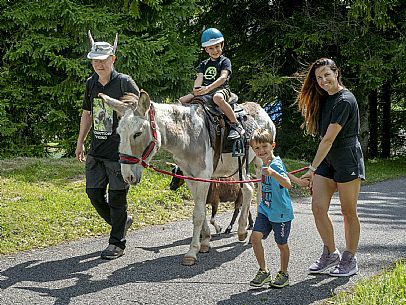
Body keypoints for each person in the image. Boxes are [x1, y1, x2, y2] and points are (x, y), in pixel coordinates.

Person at [297, 58, 365, 277]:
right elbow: (323, 141)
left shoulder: (345, 100)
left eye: (327, 75)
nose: (323, 80)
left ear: (337, 73)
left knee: (348, 212)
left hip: (347, 159)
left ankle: (350, 258)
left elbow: (328, 139)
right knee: (318, 208)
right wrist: (318, 167)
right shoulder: (324, 99)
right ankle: (330, 252)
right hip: (328, 161)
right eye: (319, 77)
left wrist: (312, 168)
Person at [75, 31, 140, 260]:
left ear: (113, 59)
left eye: (103, 60)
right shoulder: (91, 83)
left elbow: (139, 114)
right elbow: (87, 113)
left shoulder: (124, 82)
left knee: (117, 197)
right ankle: (120, 222)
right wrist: (80, 141)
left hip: (119, 153)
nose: (98, 64)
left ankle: (117, 243)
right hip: (97, 150)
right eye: (95, 60)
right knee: (93, 193)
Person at [249, 128, 309, 288]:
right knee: (255, 238)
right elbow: (285, 173)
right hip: (265, 209)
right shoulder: (268, 163)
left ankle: (284, 273)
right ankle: (264, 271)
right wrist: (299, 180)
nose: (261, 151)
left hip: (280, 213)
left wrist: (273, 174)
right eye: (257, 148)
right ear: (253, 149)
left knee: (281, 244)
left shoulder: (273, 165)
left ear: (272, 145)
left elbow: (286, 183)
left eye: (264, 147)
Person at [179, 27, 243, 140]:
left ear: (222, 45)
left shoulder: (225, 61)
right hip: (205, 90)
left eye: (217, 46)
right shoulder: (204, 64)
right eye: (211, 48)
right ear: (206, 50)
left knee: (217, 98)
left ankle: (235, 124)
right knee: (182, 100)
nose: (215, 50)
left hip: (221, 89)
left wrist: (208, 88)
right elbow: (199, 78)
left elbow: (223, 77)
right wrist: (196, 88)